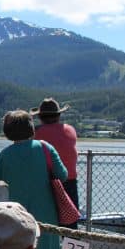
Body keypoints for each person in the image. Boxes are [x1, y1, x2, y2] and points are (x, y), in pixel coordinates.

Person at [0, 110, 66, 249]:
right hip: (46, 215)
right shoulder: (45, 148)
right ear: (31, 128)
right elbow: (63, 174)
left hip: (15, 217)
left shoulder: (4, 155)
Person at [33, 97, 79, 228]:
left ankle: (48, 248)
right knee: (71, 228)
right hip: (70, 182)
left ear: (40, 117)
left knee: (45, 225)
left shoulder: (36, 133)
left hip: (46, 184)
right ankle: (74, 247)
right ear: (58, 116)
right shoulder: (70, 130)